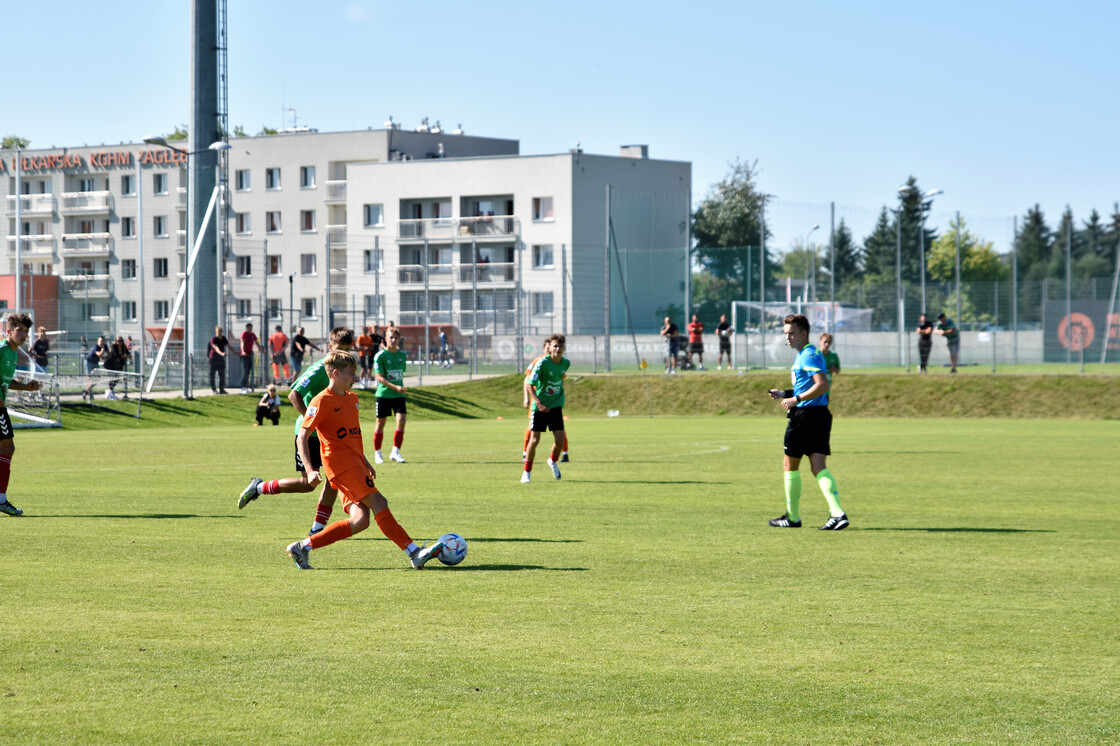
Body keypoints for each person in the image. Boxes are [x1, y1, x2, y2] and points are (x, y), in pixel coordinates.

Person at [283, 350, 445, 570]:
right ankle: (414, 552)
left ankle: (302, 547)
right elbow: (302, 436)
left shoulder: (352, 398)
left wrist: (365, 460)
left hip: (354, 463)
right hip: (339, 465)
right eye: (351, 373)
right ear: (336, 374)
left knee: (360, 520)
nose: (355, 378)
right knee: (379, 502)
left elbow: (352, 435)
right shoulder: (320, 401)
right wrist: (310, 470)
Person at [239, 327, 354, 535]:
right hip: (309, 433)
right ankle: (259, 487)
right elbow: (294, 395)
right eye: (339, 349)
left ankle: (316, 529)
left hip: (328, 434)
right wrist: (314, 421)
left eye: (347, 350)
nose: (343, 354)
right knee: (307, 483)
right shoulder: (321, 369)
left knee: (333, 479)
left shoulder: (345, 370)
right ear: (330, 348)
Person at [766, 314, 849, 531]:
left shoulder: (809, 354)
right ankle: (838, 514)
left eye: (792, 333)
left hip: (805, 417)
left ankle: (793, 518)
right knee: (818, 467)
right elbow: (808, 387)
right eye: (786, 333)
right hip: (819, 414)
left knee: (789, 465)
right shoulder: (806, 354)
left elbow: (822, 386)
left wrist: (796, 399)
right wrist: (784, 393)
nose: (788, 337)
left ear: (804, 332)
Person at [0, 313, 43, 517]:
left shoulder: (12, 353)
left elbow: (6, 381)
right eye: (20, 330)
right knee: (7, 447)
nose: (24, 334)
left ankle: (1, 499)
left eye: (26, 331)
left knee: (7, 448)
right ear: (9, 331)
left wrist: (26, 387)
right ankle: (1, 500)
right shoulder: (1, 349)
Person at [522, 334, 570, 484]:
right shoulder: (541, 363)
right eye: (555, 346)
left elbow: (560, 380)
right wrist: (538, 402)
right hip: (540, 407)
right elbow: (530, 384)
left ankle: (552, 461)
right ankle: (526, 472)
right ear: (549, 348)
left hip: (555, 407)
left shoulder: (566, 363)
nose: (558, 349)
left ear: (564, 348)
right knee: (534, 440)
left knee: (560, 441)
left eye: (560, 346)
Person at [373, 326, 408, 464]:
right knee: (381, 423)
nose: (393, 340)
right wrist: (395, 387)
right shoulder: (380, 356)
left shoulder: (402, 355)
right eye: (390, 337)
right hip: (384, 395)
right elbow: (379, 377)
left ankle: (395, 452)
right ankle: (378, 453)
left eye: (396, 338)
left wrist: (398, 388)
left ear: (399, 339)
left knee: (402, 421)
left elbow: (400, 373)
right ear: (385, 339)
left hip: (399, 395)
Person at [82, 335, 109, 400]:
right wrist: (102, 349)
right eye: (101, 341)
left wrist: (105, 357)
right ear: (98, 341)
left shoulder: (105, 346)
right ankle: (90, 396)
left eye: (103, 341)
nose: (102, 342)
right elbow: (99, 354)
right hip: (89, 362)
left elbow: (109, 354)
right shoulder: (96, 347)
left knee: (98, 378)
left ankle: (86, 391)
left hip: (95, 363)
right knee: (89, 379)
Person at [239, 323, 262, 394]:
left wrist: (260, 348)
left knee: (249, 372)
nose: (250, 329)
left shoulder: (252, 334)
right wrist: (243, 351)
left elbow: (256, 342)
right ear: (246, 328)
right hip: (244, 355)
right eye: (249, 328)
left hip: (250, 355)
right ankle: (243, 387)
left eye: (251, 328)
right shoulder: (244, 334)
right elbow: (242, 343)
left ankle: (247, 386)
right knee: (245, 371)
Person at [208, 326, 229, 394]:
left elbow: (229, 346)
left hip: (221, 359)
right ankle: (214, 389)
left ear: (222, 332)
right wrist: (222, 353)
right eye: (218, 331)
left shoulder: (223, 338)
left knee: (222, 374)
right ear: (216, 332)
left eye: (220, 331)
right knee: (212, 374)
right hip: (213, 358)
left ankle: (221, 389)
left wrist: (236, 353)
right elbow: (216, 348)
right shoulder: (213, 339)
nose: (219, 333)